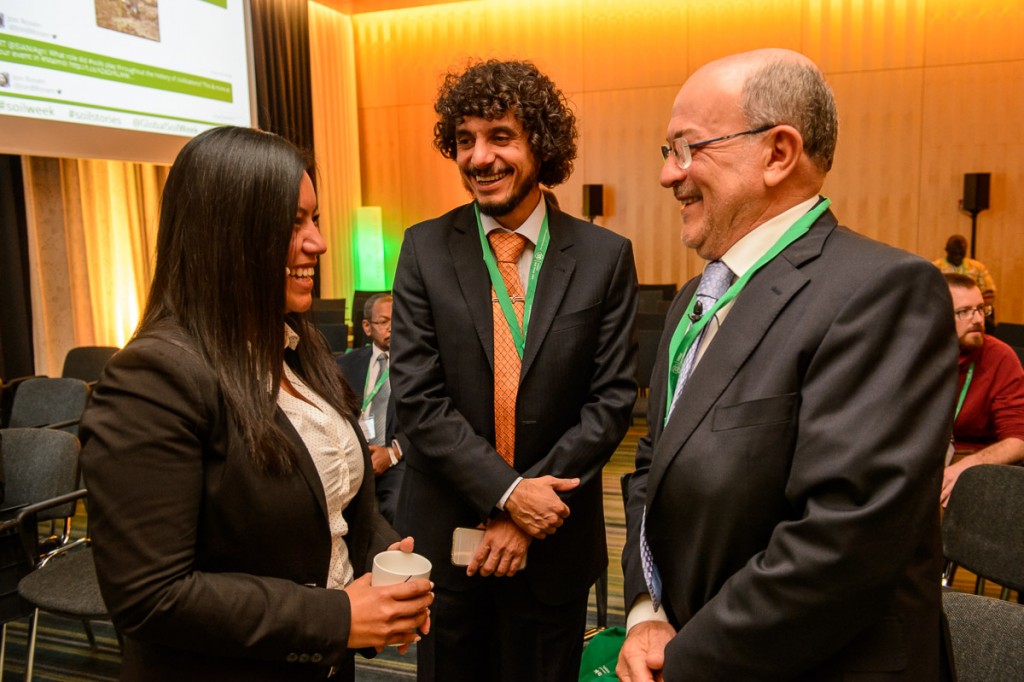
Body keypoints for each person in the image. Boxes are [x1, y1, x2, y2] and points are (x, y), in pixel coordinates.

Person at [618, 49, 957, 681]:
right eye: (667, 151)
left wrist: (684, 660)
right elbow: (650, 471)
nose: (670, 174)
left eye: (687, 148)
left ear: (777, 153)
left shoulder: (882, 292)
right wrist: (645, 612)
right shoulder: (697, 298)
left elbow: (845, 540)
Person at [80, 126, 433, 682]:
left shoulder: (298, 348)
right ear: (226, 235)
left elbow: (334, 510)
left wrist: (388, 567)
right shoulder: (152, 379)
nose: (317, 242)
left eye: (314, 220)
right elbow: (151, 597)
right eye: (292, 223)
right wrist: (338, 616)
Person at [390, 59, 638, 682]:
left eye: (500, 136)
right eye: (466, 139)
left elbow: (609, 403)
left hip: (551, 542)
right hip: (449, 541)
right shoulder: (423, 248)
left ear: (541, 146)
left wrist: (528, 514)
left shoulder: (605, 258)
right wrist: (507, 495)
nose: (480, 157)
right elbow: (418, 399)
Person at [941, 273, 1024, 507]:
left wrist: (965, 468)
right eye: (963, 312)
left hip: (973, 459)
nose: (978, 319)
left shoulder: (1000, 357)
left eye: (980, 309)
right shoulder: (914, 353)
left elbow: (1018, 439)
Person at [336, 292, 406, 523]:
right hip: (351, 455)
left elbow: (427, 420)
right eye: (383, 322)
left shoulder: (417, 365)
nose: (391, 328)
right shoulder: (344, 364)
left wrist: (393, 452)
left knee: (397, 509)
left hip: (395, 458)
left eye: (396, 320)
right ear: (367, 327)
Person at [933, 234, 996, 308]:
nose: (958, 256)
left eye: (961, 253)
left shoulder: (978, 267)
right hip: (944, 308)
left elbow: (989, 293)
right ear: (946, 250)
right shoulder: (935, 268)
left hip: (972, 309)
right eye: (954, 253)